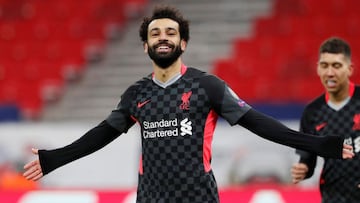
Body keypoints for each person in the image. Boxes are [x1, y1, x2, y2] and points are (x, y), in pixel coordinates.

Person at [23, 6, 353, 203]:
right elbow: (100, 135)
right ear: (145, 46)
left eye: (170, 32)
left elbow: (262, 124)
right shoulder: (136, 94)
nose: (162, 37)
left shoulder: (206, 86)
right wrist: (54, 159)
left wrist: (322, 145)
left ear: (183, 42)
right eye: (155, 34)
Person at [291, 37, 359, 203]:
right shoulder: (312, 112)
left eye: (336, 66)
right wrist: (303, 169)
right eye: (324, 65)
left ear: (349, 69)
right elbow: (308, 160)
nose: (330, 72)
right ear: (317, 69)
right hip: (333, 197)